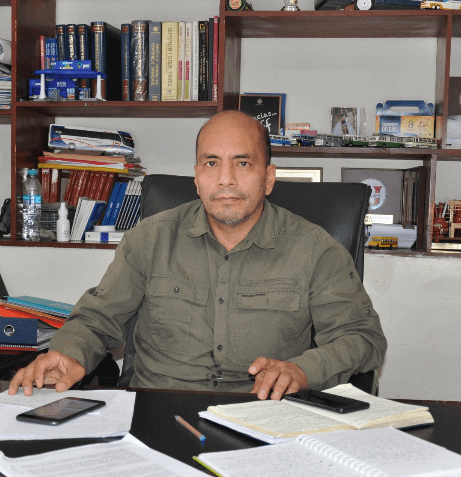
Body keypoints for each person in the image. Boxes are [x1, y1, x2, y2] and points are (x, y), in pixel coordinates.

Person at [9, 110, 387, 400]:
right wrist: (70, 355)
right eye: (211, 163)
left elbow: (363, 338)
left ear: (269, 177)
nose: (226, 179)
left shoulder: (315, 249)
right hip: (156, 410)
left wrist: (303, 371)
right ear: (196, 177)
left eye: (243, 163)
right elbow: (97, 319)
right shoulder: (150, 239)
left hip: (261, 413)